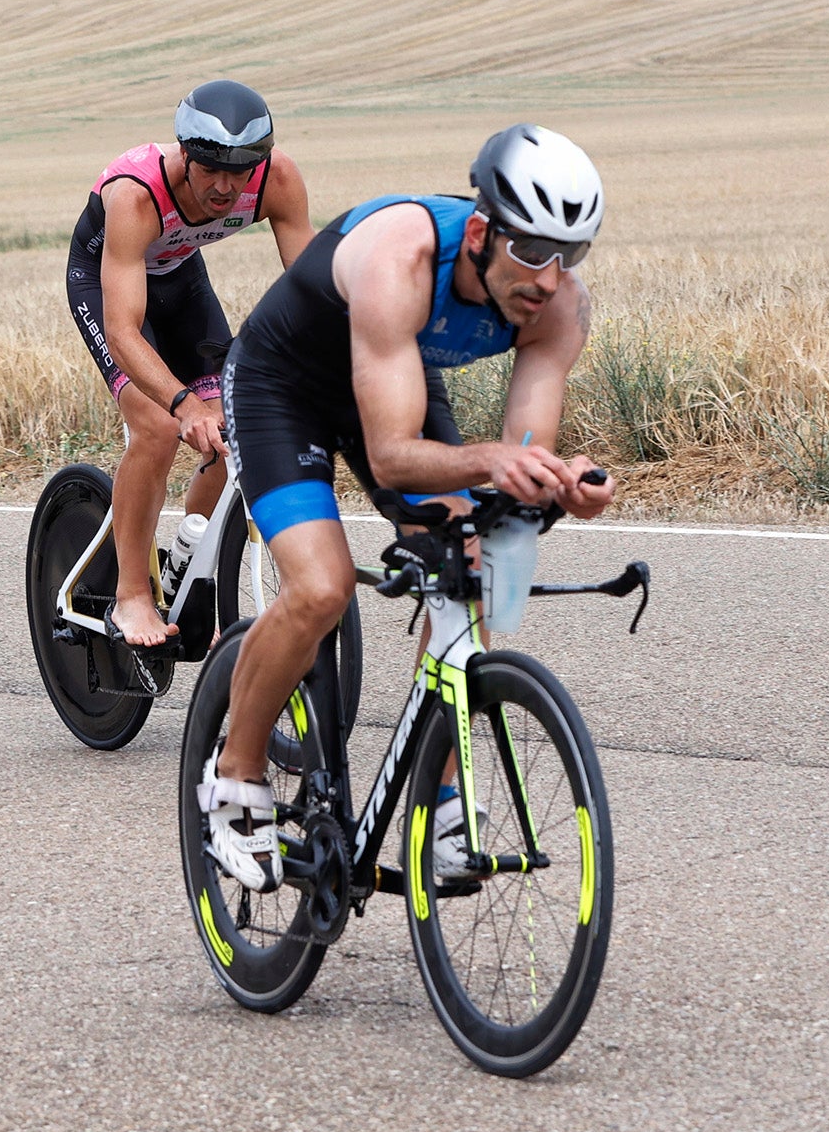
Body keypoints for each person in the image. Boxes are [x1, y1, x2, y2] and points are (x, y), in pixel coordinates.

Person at [199, 122, 617, 891]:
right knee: (321, 587)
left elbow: (523, 454)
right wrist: (497, 460)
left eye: (571, 256)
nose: (549, 279)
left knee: (473, 560)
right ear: (483, 231)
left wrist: (559, 479)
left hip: (390, 383)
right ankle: (234, 776)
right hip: (281, 388)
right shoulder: (404, 256)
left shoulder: (558, 307)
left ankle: (445, 802)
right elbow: (392, 454)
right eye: (531, 252)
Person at [66, 79, 313, 648]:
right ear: (185, 155)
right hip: (108, 285)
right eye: (211, 170)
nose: (227, 187)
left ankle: (184, 557)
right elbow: (123, 330)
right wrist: (182, 404)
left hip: (181, 281)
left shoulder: (276, 179)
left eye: (241, 171)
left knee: (235, 431)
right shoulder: (135, 195)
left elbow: (312, 296)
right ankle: (130, 595)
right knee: (155, 427)